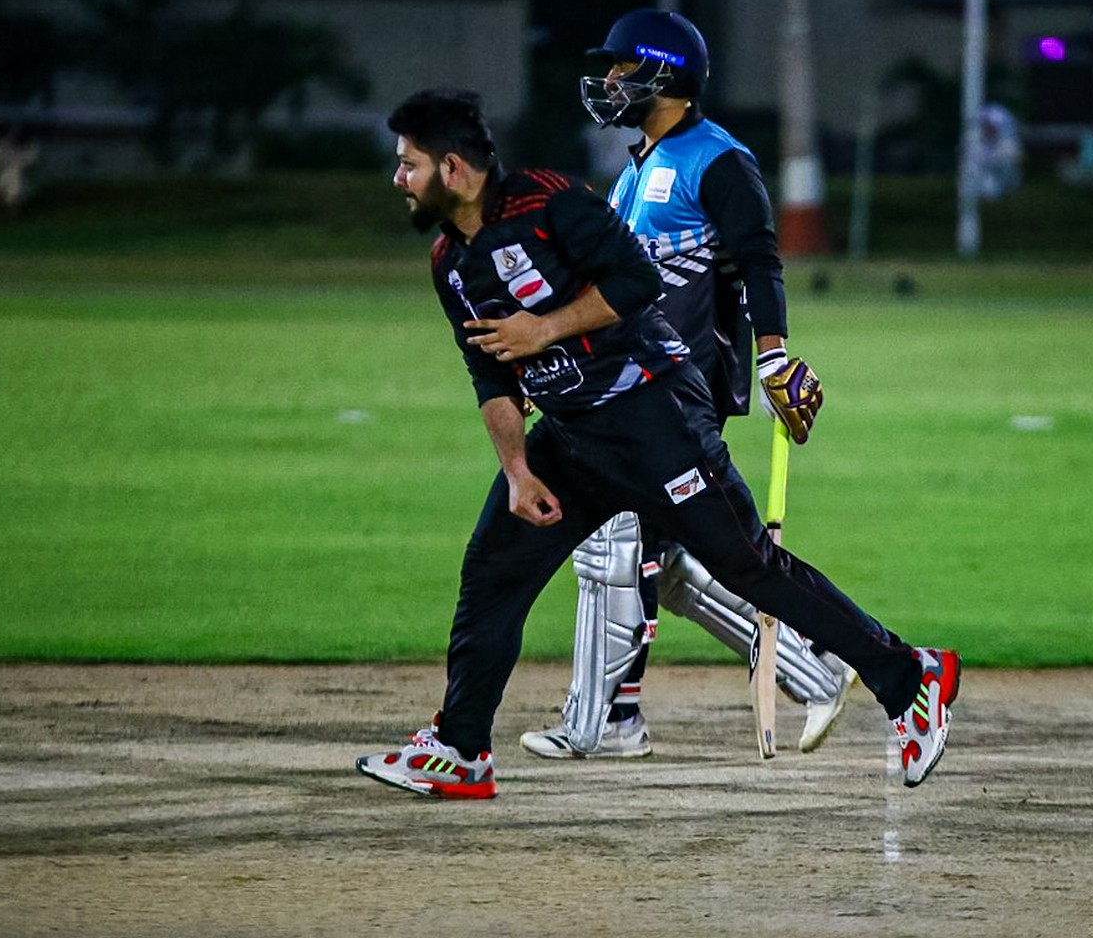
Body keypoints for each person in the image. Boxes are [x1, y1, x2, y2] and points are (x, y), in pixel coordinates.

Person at [356, 88, 959, 799]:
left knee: (747, 565)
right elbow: (488, 373)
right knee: (492, 572)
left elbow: (638, 281)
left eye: (410, 164)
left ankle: (911, 678)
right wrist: (516, 469)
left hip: (654, 416)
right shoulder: (448, 263)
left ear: (454, 169)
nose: (399, 178)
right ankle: (462, 750)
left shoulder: (551, 203)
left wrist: (543, 329)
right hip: (570, 439)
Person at [518, 9, 853, 763]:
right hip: (624, 384)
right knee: (664, 566)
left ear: (663, 74)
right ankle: (813, 670)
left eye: (622, 67)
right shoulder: (634, 169)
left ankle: (600, 723)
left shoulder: (718, 160)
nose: (609, 81)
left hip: (678, 387)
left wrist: (774, 358)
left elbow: (759, 261)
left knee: (610, 546)